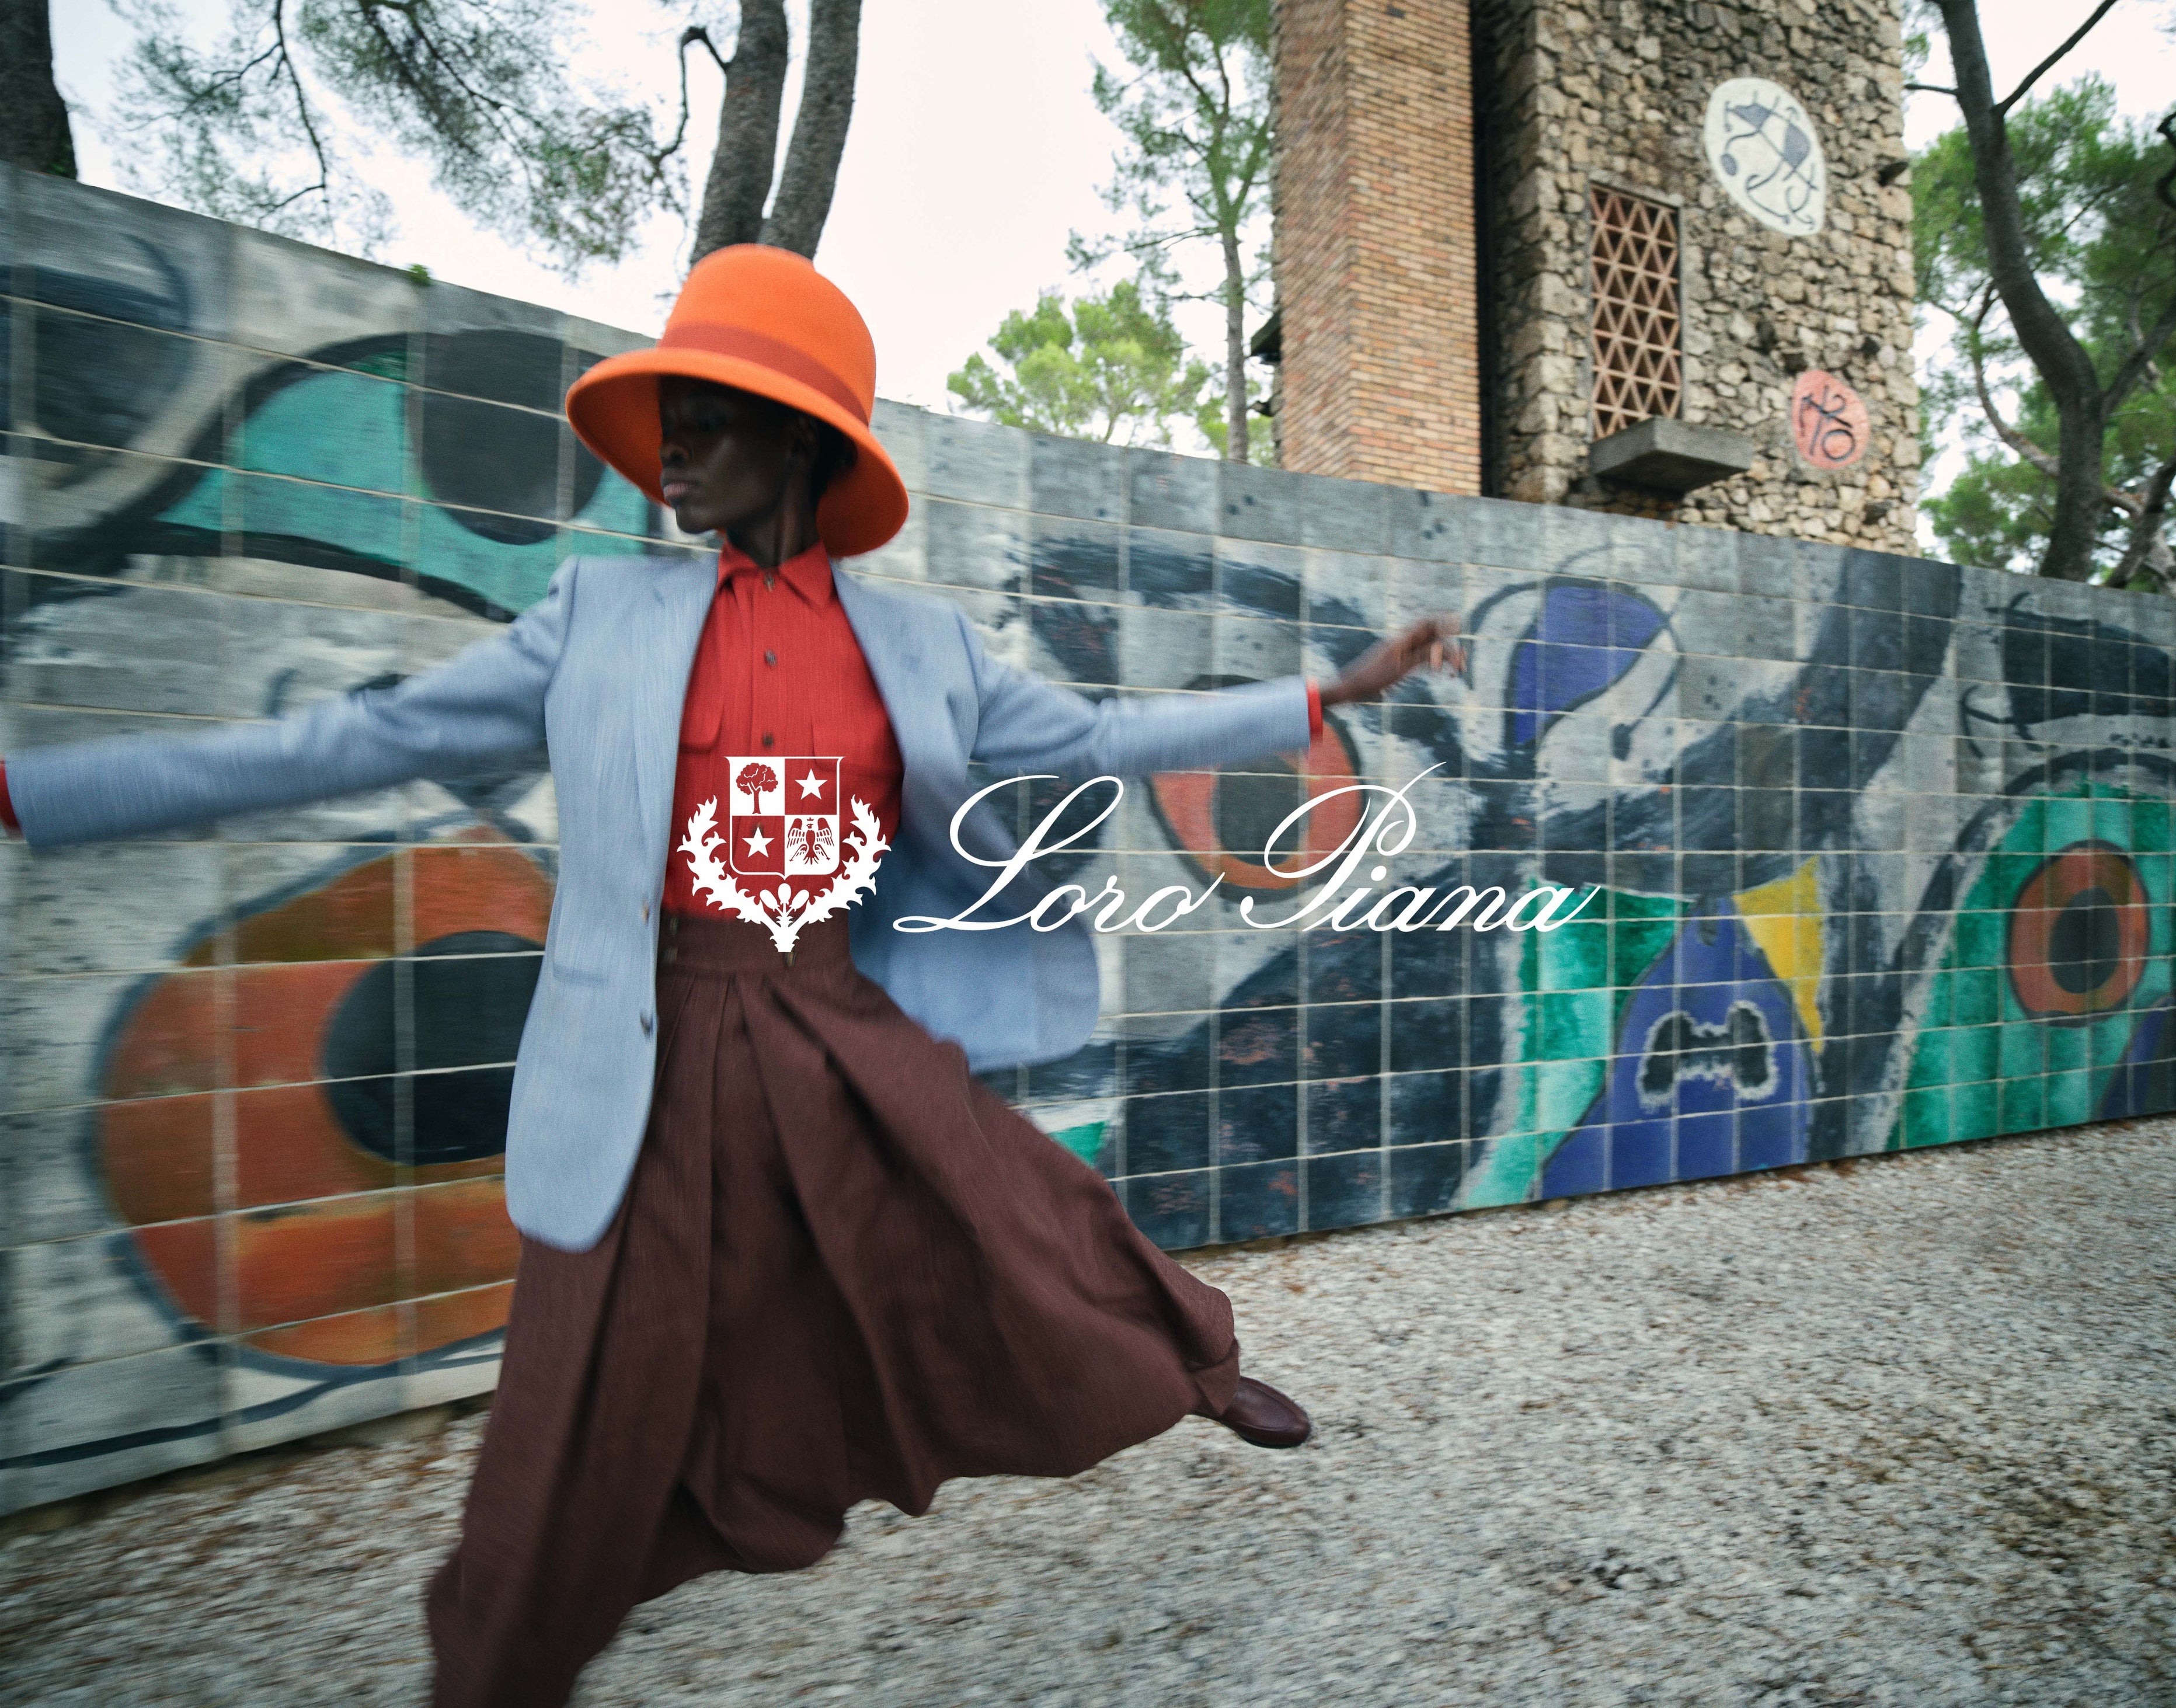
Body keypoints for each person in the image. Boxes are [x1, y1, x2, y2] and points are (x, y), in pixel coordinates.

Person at [0, 245, 1463, 1708]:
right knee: (583, 1398)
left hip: (836, 1017)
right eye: (668, 423)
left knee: (1024, 1213)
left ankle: (1186, 1366)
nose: (672, 452)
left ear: (801, 442)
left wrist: (1327, 691)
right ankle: (496, 1668)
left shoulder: (922, 645)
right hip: (648, 1044)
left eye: (705, 420)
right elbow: (359, 740)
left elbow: (1092, 735)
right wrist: (38, 790)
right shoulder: (598, 618)